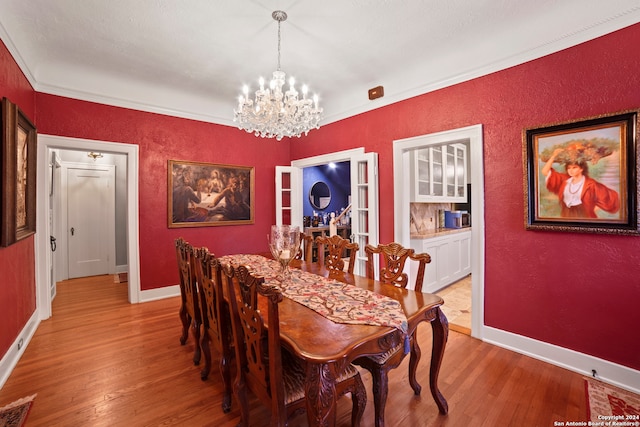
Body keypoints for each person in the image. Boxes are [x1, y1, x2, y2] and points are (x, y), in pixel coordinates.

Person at [541, 147, 620, 218]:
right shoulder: (564, 180)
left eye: (574, 168)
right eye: (569, 168)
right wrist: (553, 156)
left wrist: (591, 208)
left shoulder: (590, 184)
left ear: (581, 169)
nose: (571, 170)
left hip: (584, 216)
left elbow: (610, 197)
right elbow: (545, 171)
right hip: (566, 215)